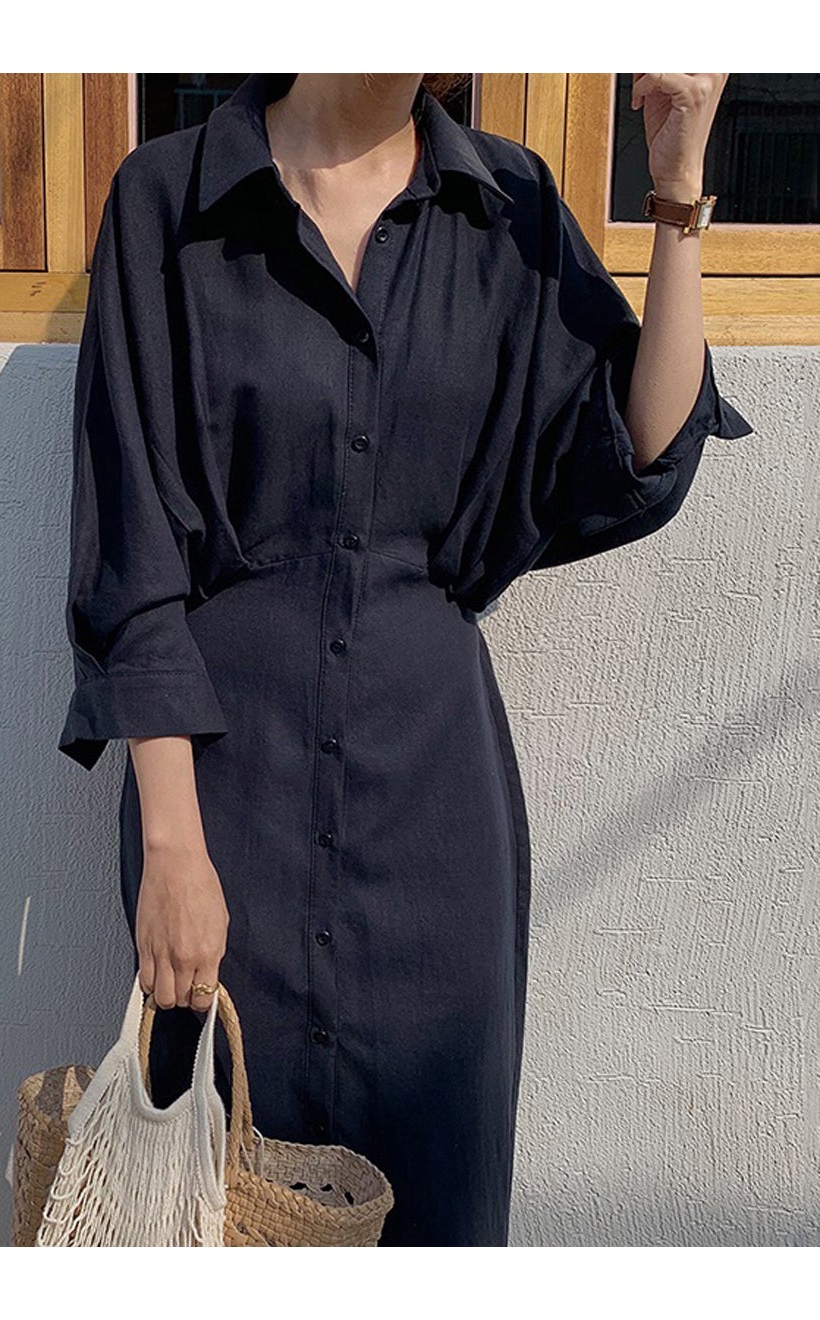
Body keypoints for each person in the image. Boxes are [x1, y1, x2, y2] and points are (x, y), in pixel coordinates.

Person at [57, 72, 754, 1247]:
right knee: (215, 1204)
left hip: (435, 817)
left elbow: (643, 445)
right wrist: (172, 848)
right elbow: (133, 543)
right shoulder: (166, 199)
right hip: (225, 802)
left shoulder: (509, 204)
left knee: (436, 1201)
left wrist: (677, 186)